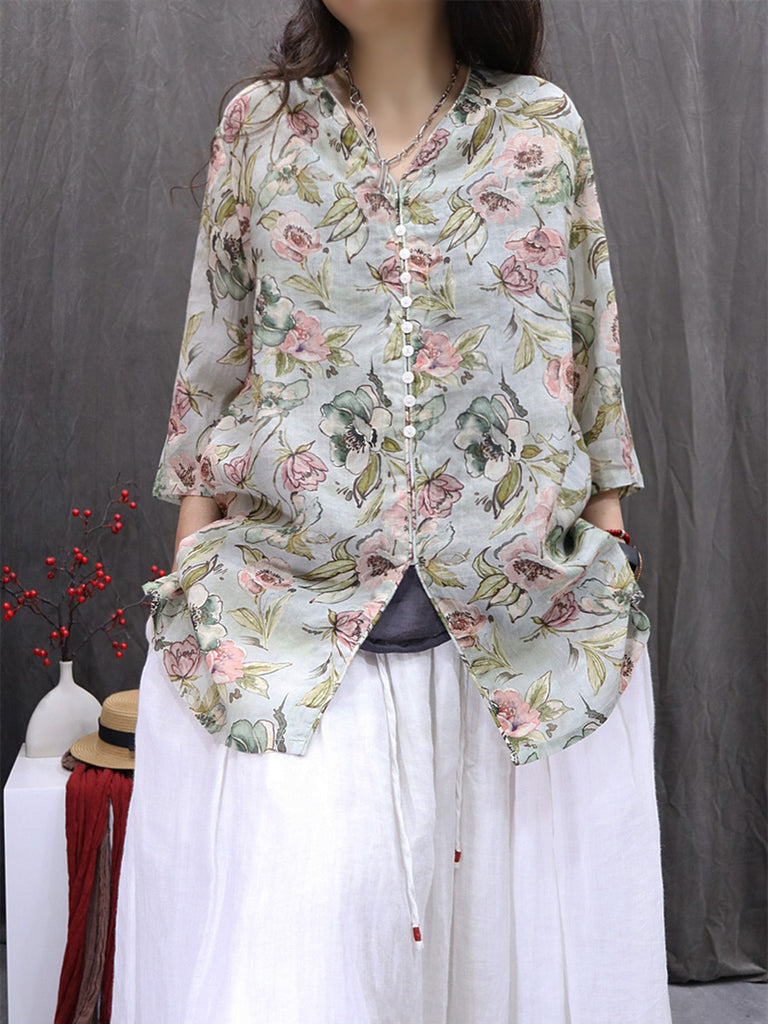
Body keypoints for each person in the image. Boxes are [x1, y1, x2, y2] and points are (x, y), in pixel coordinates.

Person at [111, 1, 673, 1021]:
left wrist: (610, 543)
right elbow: (214, 362)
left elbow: (590, 345)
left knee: (503, 970)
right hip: (294, 614)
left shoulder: (541, 126)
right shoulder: (261, 126)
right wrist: (191, 575)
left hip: (518, 623)